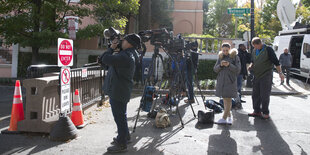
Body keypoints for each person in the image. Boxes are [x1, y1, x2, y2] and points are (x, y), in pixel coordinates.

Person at [99, 34, 141, 153]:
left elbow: (105, 59)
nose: (122, 42)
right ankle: (125, 136)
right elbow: (106, 61)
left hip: (118, 90)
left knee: (119, 117)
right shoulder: (131, 54)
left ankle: (121, 143)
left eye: (124, 40)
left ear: (130, 43)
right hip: (122, 89)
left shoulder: (125, 56)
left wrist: (111, 48)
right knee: (122, 115)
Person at [248, 37, 284, 119]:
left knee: (264, 95)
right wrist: (250, 66)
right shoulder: (254, 51)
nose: (255, 48)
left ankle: (265, 112)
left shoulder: (268, 49)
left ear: (259, 44)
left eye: (255, 46)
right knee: (255, 94)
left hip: (266, 75)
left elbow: (276, 62)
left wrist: (280, 73)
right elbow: (253, 61)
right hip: (257, 75)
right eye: (254, 46)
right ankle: (256, 111)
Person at [214, 43, 241, 125]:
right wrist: (221, 65)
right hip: (221, 81)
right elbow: (215, 69)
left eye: (227, 50)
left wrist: (229, 65)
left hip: (230, 81)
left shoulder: (235, 57)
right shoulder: (220, 57)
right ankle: (229, 118)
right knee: (225, 100)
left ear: (230, 49)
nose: (225, 52)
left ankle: (224, 118)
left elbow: (238, 70)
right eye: (223, 50)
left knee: (228, 100)